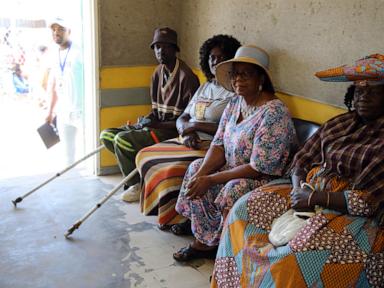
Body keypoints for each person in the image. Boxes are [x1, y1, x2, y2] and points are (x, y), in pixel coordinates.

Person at [211, 54, 384, 288]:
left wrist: (314, 198)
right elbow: (302, 160)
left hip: (348, 210)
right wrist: (298, 191)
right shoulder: (340, 123)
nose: (364, 97)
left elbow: (369, 201)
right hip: (305, 192)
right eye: (359, 91)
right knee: (242, 210)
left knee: (297, 256)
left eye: (373, 91)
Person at [172, 45, 297, 262]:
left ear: (261, 79)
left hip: (265, 179)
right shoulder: (235, 103)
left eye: (246, 73)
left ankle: (217, 246)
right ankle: (208, 237)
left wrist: (211, 179)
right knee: (194, 168)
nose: (238, 79)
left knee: (232, 188)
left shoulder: (275, 113)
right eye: (235, 73)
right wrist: (202, 174)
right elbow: (218, 145)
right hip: (233, 169)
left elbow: (260, 167)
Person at [135, 35, 241, 231]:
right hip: (189, 140)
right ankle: (167, 209)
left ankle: (179, 217)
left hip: (212, 146)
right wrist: (186, 130)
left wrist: (195, 127)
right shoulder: (206, 86)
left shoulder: (234, 92)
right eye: (211, 57)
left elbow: (229, 129)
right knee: (145, 154)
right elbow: (183, 117)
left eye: (220, 58)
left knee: (169, 168)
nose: (214, 62)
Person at [100, 27, 200, 201]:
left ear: (175, 48)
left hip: (173, 132)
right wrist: (147, 120)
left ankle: (136, 185)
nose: (160, 51)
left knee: (122, 139)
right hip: (157, 126)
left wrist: (154, 124)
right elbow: (155, 111)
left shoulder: (187, 77)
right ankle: (141, 177)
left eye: (165, 46)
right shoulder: (157, 73)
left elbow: (187, 121)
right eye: (156, 47)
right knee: (107, 135)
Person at [46, 17, 84, 165]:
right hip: (63, 111)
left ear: (69, 31)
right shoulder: (53, 54)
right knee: (68, 156)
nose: (56, 32)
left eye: (60, 29)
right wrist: (50, 112)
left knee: (87, 154)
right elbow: (53, 84)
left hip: (81, 111)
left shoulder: (80, 51)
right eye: (53, 29)